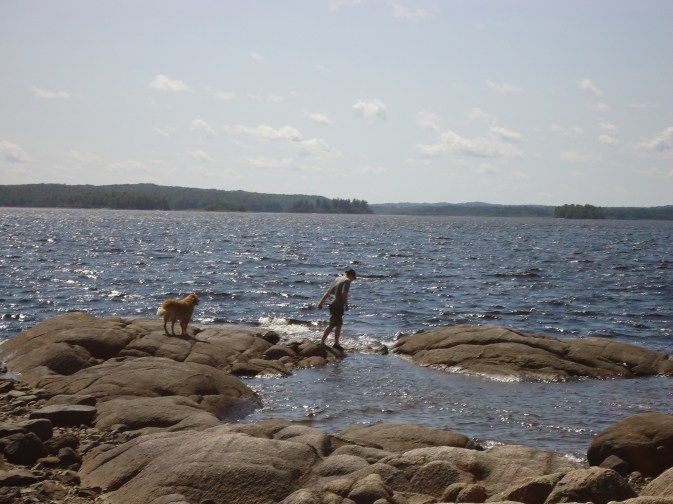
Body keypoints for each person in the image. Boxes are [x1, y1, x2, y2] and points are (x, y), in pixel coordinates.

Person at [318, 267, 356, 349]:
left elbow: (328, 291)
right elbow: (344, 293)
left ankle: (336, 343)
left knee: (338, 324)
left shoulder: (338, 279)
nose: (352, 281)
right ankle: (322, 342)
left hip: (332, 303)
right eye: (353, 278)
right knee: (332, 324)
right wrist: (346, 304)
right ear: (350, 275)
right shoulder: (347, 280)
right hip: (338, 304)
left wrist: (321, 302)